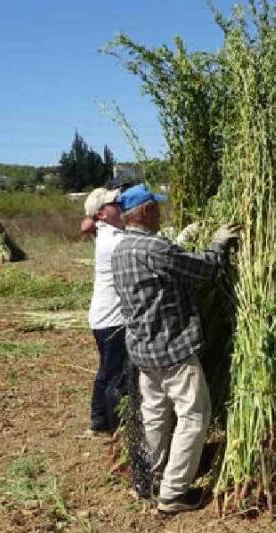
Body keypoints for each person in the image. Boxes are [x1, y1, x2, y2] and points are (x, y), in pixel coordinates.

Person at [111, 184, 239, 513]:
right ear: (145, 212)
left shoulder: (121, 248)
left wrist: (180, 242)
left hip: (142, 351)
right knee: (194, 416)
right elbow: (204, 269)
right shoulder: (155, 247)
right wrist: (218, 242)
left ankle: (151, 478)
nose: (160, 213)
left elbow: (164, 267)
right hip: (171, 350)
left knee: (155, 415)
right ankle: (173, 493)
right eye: (157, 208)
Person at [83, 187, 129, 436]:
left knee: (106, 371)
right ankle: (118, 429)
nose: (120, 205)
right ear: (101, 214)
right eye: (115, 203)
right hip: (113, 320)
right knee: (117, 378)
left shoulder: (105, 233)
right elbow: (147, 242)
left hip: (102, 318)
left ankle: (99, 421)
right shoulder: (115, 241)